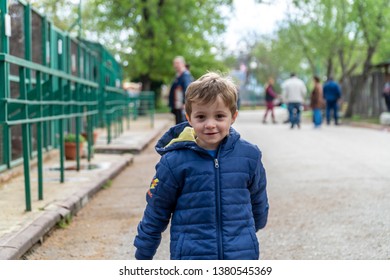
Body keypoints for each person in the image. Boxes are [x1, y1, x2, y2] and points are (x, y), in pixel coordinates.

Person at [134, 72, 269, 260]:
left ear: (233, 116)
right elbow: (156, 213)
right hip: (192, 257)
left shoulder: (250, 156)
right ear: (189, 118)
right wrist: (143, 255)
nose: (210, 124)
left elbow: (258, 200)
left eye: (220, 116)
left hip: (240, 255)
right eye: (201, 117)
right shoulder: (174, 162)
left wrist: (249, 232)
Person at [168, 56, 193, 124]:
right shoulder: (178, 76)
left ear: (183, 64)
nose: (175, 65)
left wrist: (185, 102)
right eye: (175, 63)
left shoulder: (185, 75)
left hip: (182, 106)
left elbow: (187, 89)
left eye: (177, 63)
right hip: (178, 105)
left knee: (182, 124)